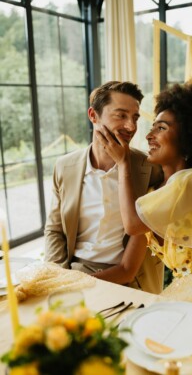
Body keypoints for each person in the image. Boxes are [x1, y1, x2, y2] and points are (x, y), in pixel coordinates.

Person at [96, 81, 192, 309]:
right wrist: (76, 282)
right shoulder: (157, 192)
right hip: (186, 294)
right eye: (152, 127)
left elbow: (132, 225)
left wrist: (123, 163)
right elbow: (127, 265)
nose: (148, 136)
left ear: (189, 139)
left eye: (161, 128)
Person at [44, 81, 164, 294]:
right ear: (93, 115)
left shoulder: (150, 168)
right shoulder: (64, 167)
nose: (131, 126)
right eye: (121, 115)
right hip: (75, 270)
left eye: (135, 117)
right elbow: (54, 230)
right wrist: (61, 279)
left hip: (134, 278)